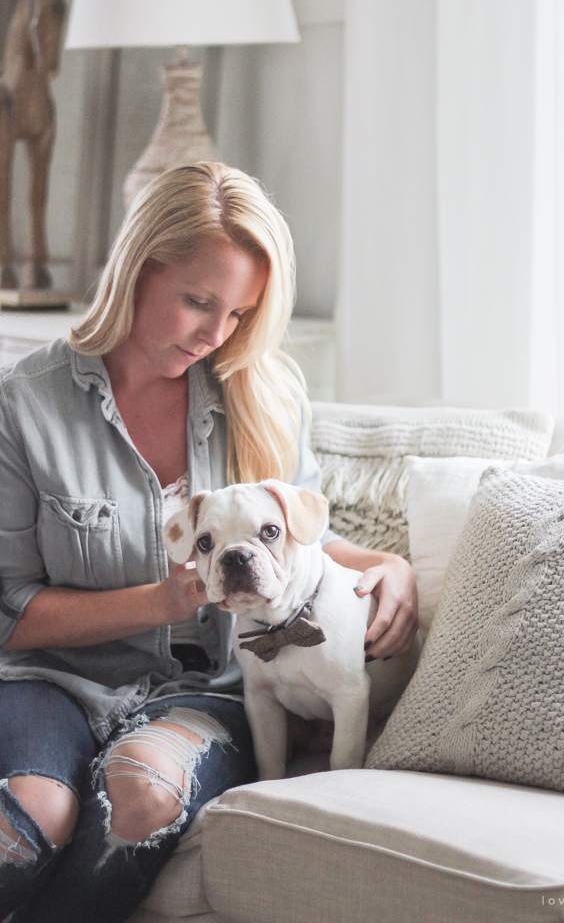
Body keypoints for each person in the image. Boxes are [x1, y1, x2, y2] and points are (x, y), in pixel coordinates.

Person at [0, 162, 418, 922]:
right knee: (28, 822)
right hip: (49, 680)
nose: (215, 334)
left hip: (213, 687)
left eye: (238, 314)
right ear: (138, 267)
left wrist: (388, 564)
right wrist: (159, 602)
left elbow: (292, 540)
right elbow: (12, 611)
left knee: (142, 799)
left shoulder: (263, 394)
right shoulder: (27, 404)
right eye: (198, 301)